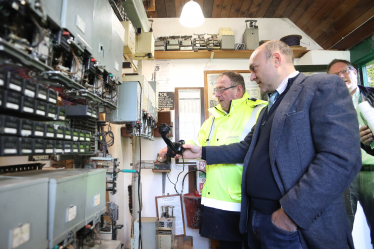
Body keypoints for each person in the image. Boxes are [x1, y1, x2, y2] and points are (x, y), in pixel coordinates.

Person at [176, 40, 362, 249]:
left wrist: (290, 214)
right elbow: (245, 148)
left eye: (254, 69)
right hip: (256, 219)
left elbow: (341, 158)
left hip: (292, 225)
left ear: (276, 59)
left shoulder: (320, 86)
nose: (252, 77)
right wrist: (201, 151)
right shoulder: (268, 108)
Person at [159, 71, 267, 249]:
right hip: (215, 200)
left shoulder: (259, 111)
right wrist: (174, 148)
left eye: (221, 89)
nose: (216, 95)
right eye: (216, 90)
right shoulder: (212, 120)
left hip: (245, 203)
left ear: (238, 90)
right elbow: (198, 144)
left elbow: (249, 151)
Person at [328, 59, 374, 236]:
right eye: (335, 75)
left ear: (355, 72)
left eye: (345, 71)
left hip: (372, 172)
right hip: (344, 175)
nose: (341, 76)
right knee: (341, 230)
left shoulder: (372, 96)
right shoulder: (325, 105)